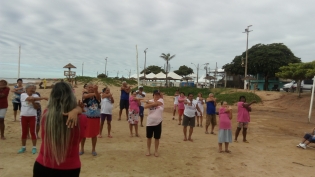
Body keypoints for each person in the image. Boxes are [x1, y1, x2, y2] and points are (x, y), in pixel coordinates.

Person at [33, 82, 86, 177]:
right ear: (72, 96)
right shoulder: (82, 119)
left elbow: (53, 104)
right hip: (70, 168)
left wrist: (77, 109)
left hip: (43, 166)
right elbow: (79, 139)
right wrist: (77, 109)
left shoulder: (46, 115)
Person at [18, 84, 48, 154]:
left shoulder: (36, 96)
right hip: (23, 116)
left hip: (32, 116)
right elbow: (29, 98)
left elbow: (36, 107)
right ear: (27, 89)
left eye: (34, 88)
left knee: (33, 132)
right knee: (24, 132)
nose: (33, 89)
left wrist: (33, 101)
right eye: (31, 88)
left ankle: (34, 147)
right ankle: (23, 147)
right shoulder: (23, 95)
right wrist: (43, 98)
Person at [80, 83, 101, 156]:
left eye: (92, 87)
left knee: (94, 134)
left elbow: (98, 98)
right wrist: (95, 92)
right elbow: (85, 96)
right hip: (85, 117)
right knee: (83, 133)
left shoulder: (97, 94)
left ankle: (93, 149)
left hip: (95, 117)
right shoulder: (85, 93)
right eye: (90, 87)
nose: (91, 88)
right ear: (87, 88)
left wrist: (96, 92)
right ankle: (82, 148)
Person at [144, 90, 164, 157]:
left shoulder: (161, 100)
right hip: (150, 122)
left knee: (157, 137)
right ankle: (148, 150)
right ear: (153, 95)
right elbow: (145, 106)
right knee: (149, 137)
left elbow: (156, 104)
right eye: (155, 95)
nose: (157, 96)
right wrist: (150, 102)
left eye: (158, 95)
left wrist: (148, 102)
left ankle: (156, 151)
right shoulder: (151, 100)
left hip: (158, 122)